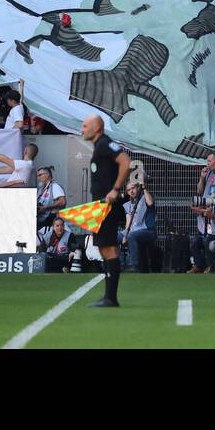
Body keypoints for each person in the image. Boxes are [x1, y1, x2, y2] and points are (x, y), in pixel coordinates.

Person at [82, 114, 131, 308]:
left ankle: (111, 298)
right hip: (100, 206)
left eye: (85, 125)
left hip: (107, 205)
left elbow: (126, 161)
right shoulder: (99, 146)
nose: (82, 129)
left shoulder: (104, 143)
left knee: (108, 248)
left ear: (97, 128)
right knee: (103, 247)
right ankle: (109, 296)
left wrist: (115, 189)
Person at [121, 181, 157, 273]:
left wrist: (144, 188)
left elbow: (150, 203)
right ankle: (114, 264)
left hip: (148, 231)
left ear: (137, 188)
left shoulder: (146, 197)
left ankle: (134, 265)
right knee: (115, 236)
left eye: (133, 188)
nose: (131, 191)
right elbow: (128, 222)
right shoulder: (128, 205)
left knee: (131, 236)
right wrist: (124, 235)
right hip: (133, 232)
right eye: (129, 190)